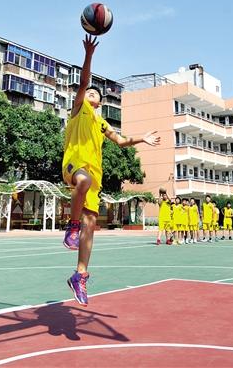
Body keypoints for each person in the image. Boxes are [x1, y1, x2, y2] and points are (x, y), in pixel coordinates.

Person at [62, 35, 161, 305]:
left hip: (95, 173)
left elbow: (120, 141)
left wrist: (142, 138)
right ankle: (71, 227)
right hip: (74, 163)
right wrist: (89, 55)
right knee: (81, 183)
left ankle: (80, 276)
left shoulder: (102, 122)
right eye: (89, 92)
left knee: (92, 224)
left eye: (95, 94)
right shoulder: (78, 109)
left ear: (101, 103)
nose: (90, 94)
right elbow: (83, 82)